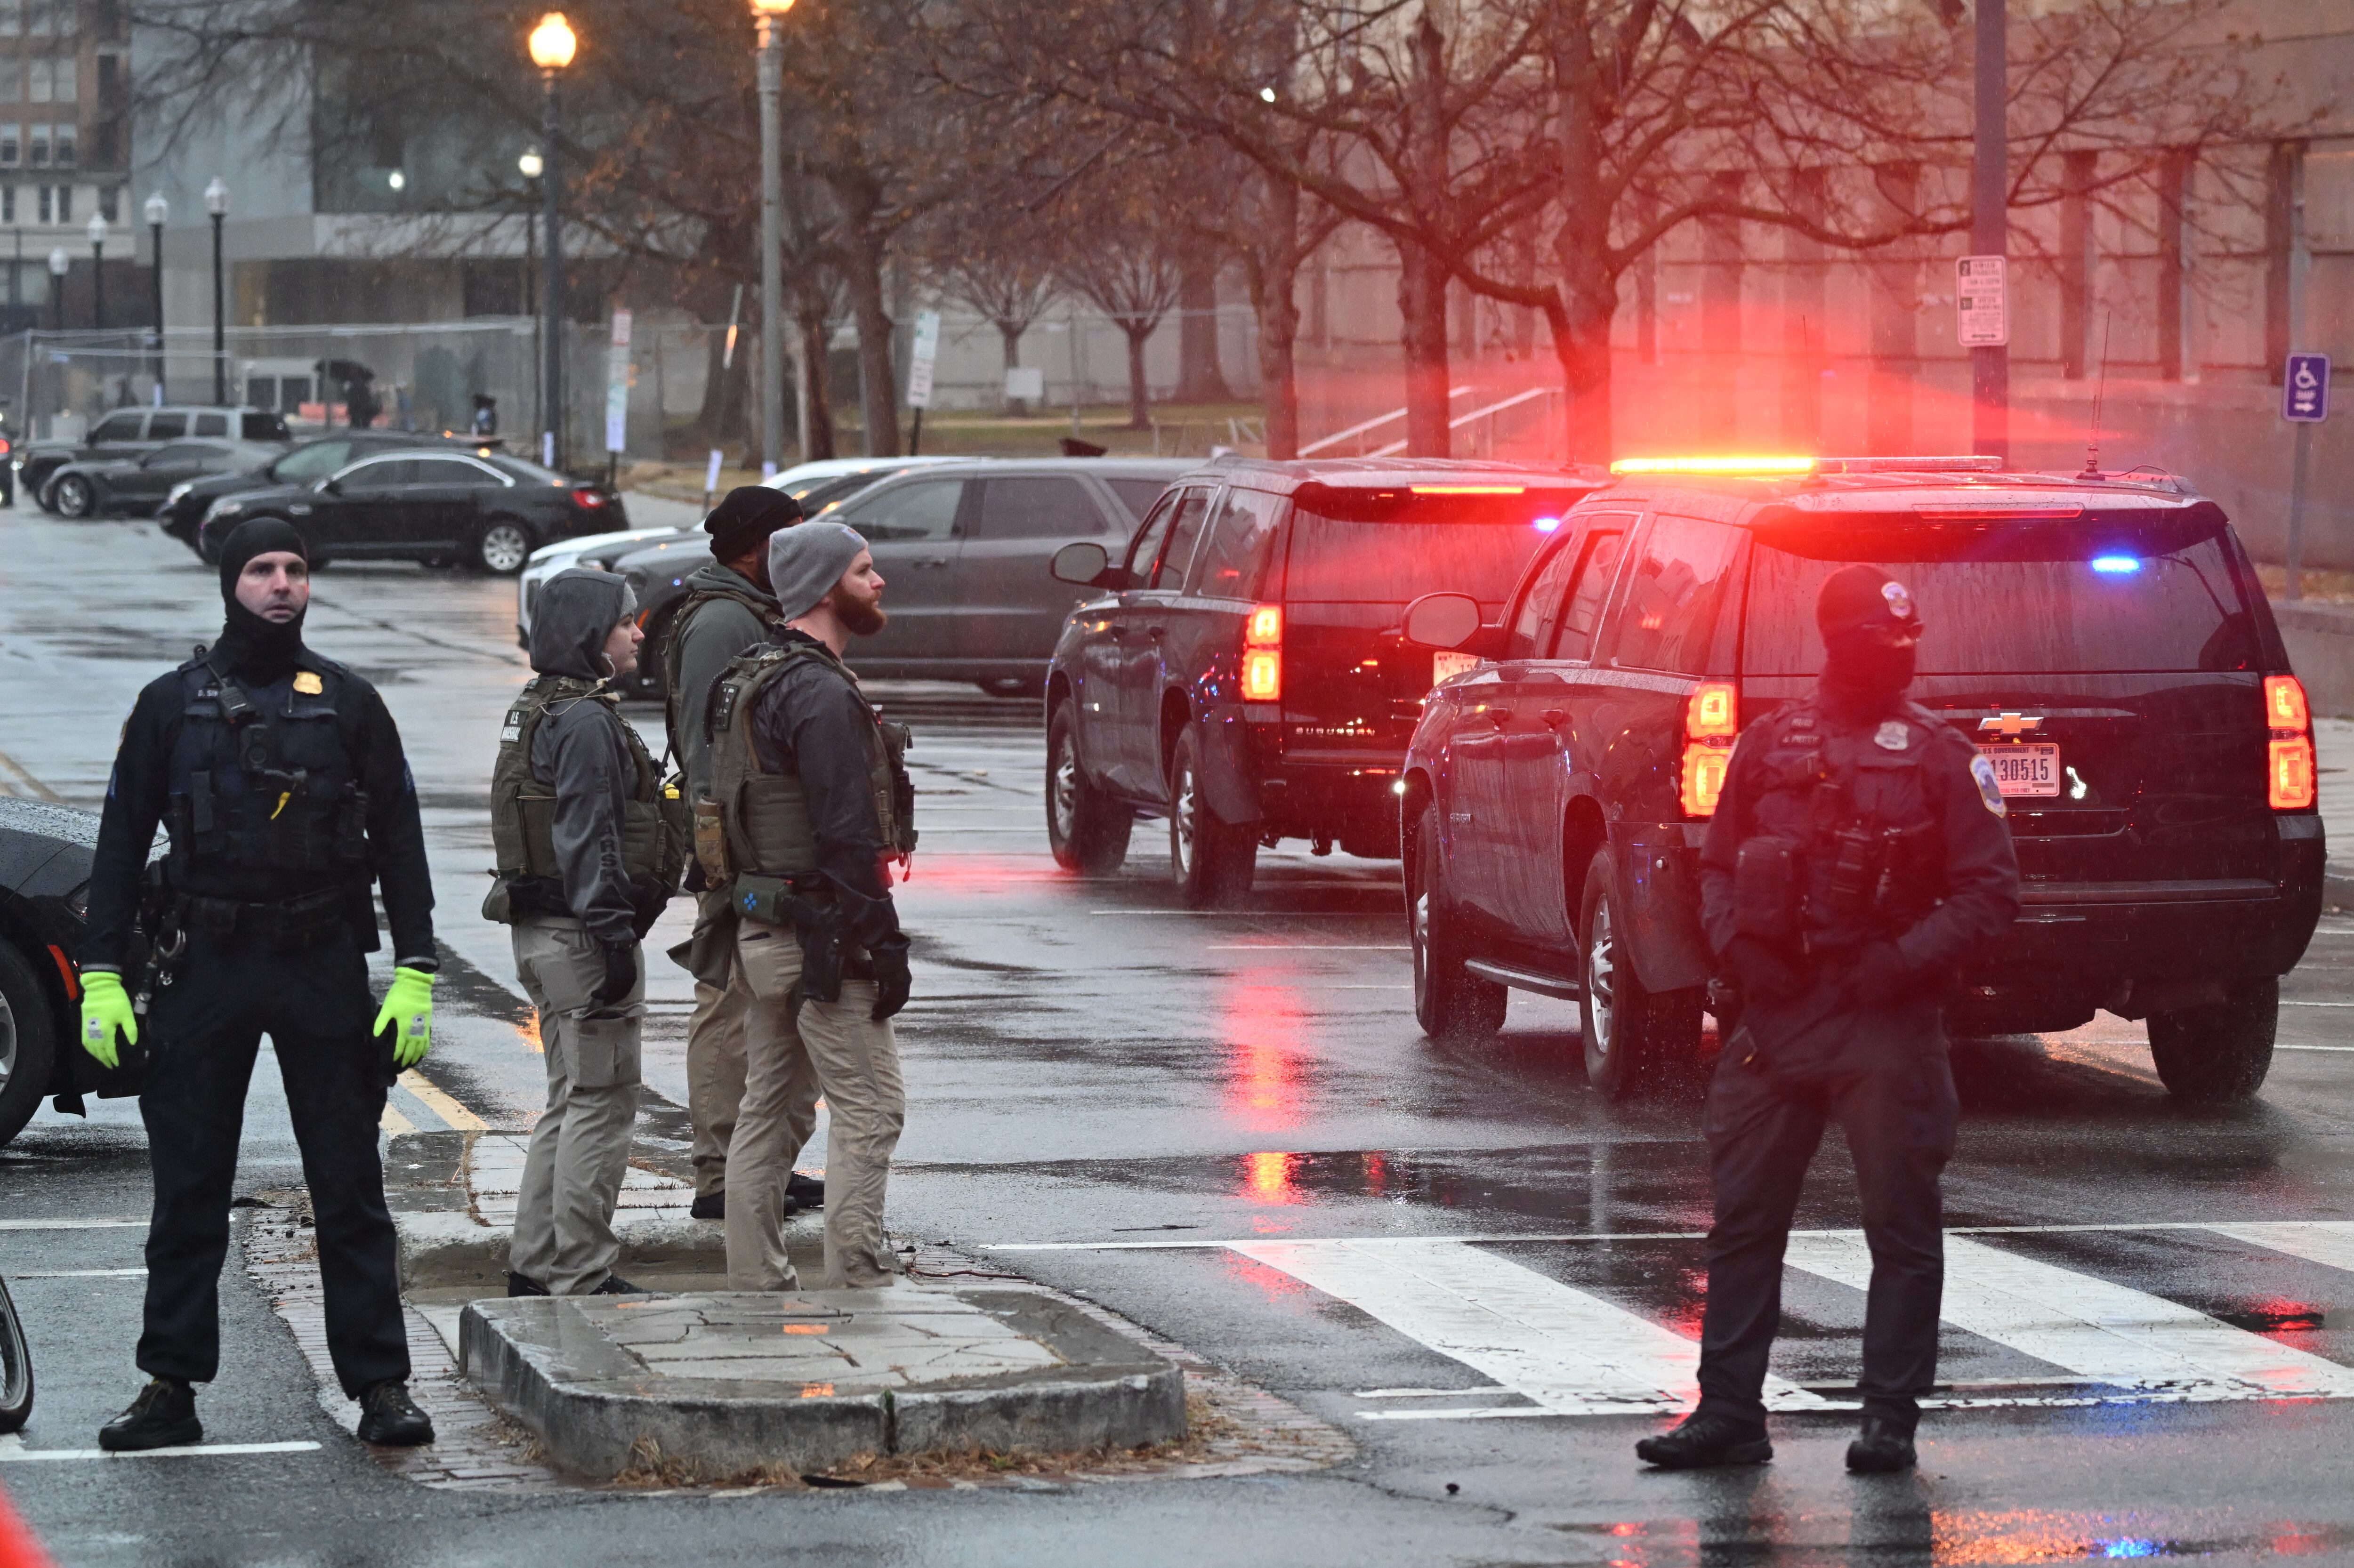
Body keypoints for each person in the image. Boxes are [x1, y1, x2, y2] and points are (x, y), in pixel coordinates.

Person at [1637, 565, 2021, 1476]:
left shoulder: (1942, 756)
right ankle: (1730, 1411)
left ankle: (1889, 1416)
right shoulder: (1769, 744)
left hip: (1886, 1024)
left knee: (1900, 1225)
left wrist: (1899, 962)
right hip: (1777, 1018)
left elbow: (1989, 893)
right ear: (1833, 642)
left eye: (1903, 645)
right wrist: (1742, 953)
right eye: (1872, 643)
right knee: (1741, 1224)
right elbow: (1720, 864)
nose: (1893, 660)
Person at [78, 518, 439, 1451]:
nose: (281, 585)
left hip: (319, 962)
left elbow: (400, 838)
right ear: (230, 582)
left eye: (295, 569)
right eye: (262, 570)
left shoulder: (351, 704)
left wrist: (416, 970)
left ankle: (382, 1384)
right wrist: (103, 976)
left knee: (349, 1185)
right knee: (189, 1187)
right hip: (206, 963)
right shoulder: (169, 705)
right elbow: (119, 846)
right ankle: (169, 1386)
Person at [707, 522, 915, 1291]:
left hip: (763, 928)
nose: (880, 581)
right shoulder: (821, 693)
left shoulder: (754, 675)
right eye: (865, 570)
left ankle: (755, 1278)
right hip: (824, 938)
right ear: (828, 588)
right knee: (872, 1108)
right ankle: (858, 1276)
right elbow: (846, 831)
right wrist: (882, 943)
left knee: (770, 1108)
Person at [485, 568, 685, 1298]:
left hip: (542, 933)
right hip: (581, 937)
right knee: (603, 1105)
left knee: (569, 1101)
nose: (638, 633)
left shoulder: (539, 707)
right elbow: (588, 836)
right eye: (628, 621)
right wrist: (611, 937)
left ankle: (534, 1265)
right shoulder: (588, 722)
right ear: (590, 634)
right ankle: (582, 1272)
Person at [663, 485, 822, 1223]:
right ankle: (721, 1172)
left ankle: (766, 1163)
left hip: (771, 844)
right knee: (728, 1007)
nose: (802, 545)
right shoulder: (722, 622)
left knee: (774, 1009)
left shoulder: (756, 612)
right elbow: (707, 749)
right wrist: (723, 852)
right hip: (737, 850)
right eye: (792, 534)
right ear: (757, 548)